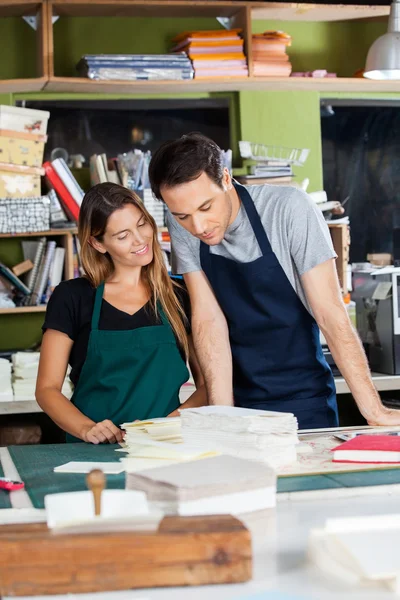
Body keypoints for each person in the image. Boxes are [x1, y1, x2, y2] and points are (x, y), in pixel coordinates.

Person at [148, 132, 400, 430]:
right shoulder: (185, 228)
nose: (198, 226)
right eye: (182, 216)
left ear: (226, 179)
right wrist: (222, 416)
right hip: (239, 402)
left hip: (304, 401)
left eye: (206, 208)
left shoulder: (289, 209)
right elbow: (208, 320)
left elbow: (330, 313)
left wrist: (374, 409)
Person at [36, 182, 206, 444]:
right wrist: (87, 429)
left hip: (164, 445)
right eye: (122, 235)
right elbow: (47, 390)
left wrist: (171, 422)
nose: (140, 239)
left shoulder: (180, 295)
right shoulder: (72, 297)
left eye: (141, 224)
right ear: (98, 243)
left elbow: (207, 384)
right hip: (90, 451)